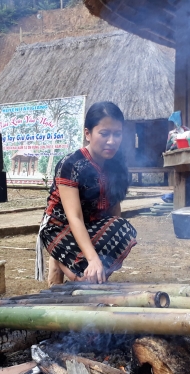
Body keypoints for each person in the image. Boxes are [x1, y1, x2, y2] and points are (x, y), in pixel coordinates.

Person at [36, 101, 137, 286]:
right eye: (104, 134)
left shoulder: (117, 165)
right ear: (88, 133)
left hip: (92, 227)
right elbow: (74, 217)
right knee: (84, 279)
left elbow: (114, 210)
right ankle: (58, 258)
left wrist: (108, 257)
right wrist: (93, 259)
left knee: (124, 229)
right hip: (60, 228)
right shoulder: (71, 165)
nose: (112, 141)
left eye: (117, 134)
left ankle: (78, 265)